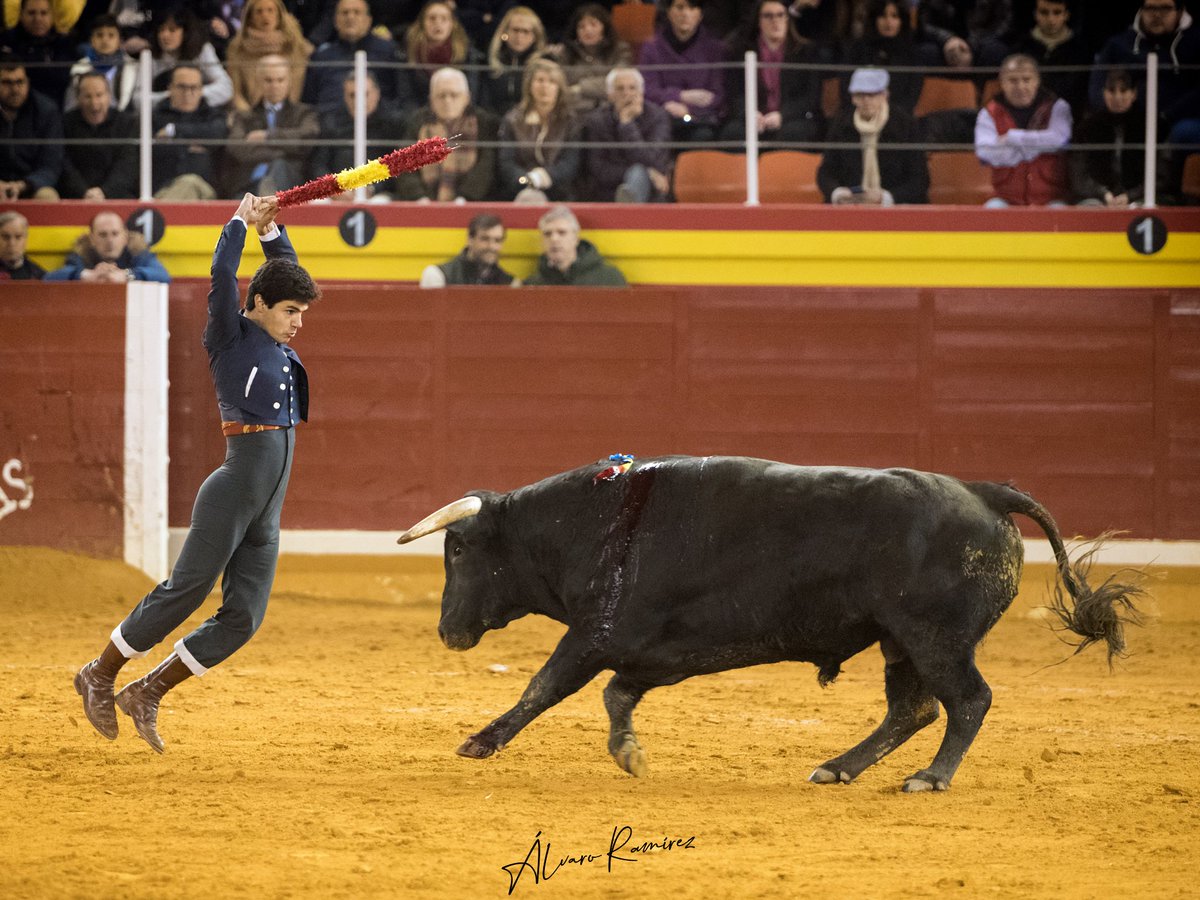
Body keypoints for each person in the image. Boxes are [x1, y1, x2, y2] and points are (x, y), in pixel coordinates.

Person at [73, 193, 320, 754]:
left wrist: (271, 231)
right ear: (259, 304)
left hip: (267, 505)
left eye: (302, 312)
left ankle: (148, 691)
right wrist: (238, 223)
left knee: (243, 618)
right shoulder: (228, 334)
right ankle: (99, 672)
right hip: (233, 490)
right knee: (185, 591)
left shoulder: (274, 336)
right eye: (290, 311)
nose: (298, 322)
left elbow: (285, 273)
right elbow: (222, 274)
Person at [1089, 0, 1200, 203]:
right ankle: (1112, 195)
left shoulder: (1196, 41)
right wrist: (1110, 110)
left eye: (1165, 8)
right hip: (1130, 120)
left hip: (1175, 122)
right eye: (1150, 8)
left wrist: (1167, 116)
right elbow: (1097, 84)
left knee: (1183, 132)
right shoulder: (1119, 44)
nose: (1156, 14)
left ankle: (1170, 197)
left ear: (1180, 11)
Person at [817, 67, 929, 205]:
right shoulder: (841, 123)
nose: (866, 100)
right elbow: (826, 172)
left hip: (897, 205)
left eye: (872, 95)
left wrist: (885, 197)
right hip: (851, 205)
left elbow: (920, 179)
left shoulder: (905, 124)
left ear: (885, 95)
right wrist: (838, 193)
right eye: (860, 95)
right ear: (853, 98)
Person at [722, 0, 826, 146]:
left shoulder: (805, 52)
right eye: (768, 16)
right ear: (758, 21)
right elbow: (734, 93)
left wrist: (782, 116)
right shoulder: (743, 52)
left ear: (787, 19)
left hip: (792, 118)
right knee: (733, 132)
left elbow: (811, 97)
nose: (775, 21)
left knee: (793, 133)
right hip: (755, 118)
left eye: (780, 15)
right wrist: (750, 114)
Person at [975, 53, 1071, 206]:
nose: (1020, 87)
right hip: (1005, 198)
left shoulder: (1057, 107)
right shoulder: (988, 112)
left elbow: (1059, 140)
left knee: (1062, 211)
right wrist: (1038, 146)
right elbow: (985, 151)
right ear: (1002, 82)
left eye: (1026, 80)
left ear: (1037, 81)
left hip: (1052, 198)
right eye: (1013, 80)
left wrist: (1012, 138)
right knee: (992, 208)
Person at [393, 65, 498, 202]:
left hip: (472, 202)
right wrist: (419, 197)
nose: (447, 101)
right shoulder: (418, 122)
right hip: (423, 202)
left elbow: (485, 166)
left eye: (454, 95)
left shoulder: (483, 122)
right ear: (431, 100)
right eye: (441, 96)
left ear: (467, 98)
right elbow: (404, 164)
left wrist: (465, 197)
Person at [225, 53, 319, 197]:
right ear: (259, 82)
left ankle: (268, 197)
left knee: (280, 165)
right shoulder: (244, 117)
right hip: (248, 186)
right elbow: (236, 148)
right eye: (268, 80)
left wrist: (268, 136)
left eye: (280, 80)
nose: (275, 86)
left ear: (289, 82)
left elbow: (306, 140)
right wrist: (284, 150)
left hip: (287, 186)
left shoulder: (304, 113)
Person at [638, 0, 727, 144]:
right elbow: (647, 90)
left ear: (700, 14)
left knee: (704, 135)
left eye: (692, 8)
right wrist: (680, 96)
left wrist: (688, 109)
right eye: (680, 7)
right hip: (662, 115)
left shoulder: (715, 49)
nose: (685, 14)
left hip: (701, 121)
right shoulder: (651, 47)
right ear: (669, 12)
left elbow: (718, 95)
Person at [308, 71, 404, 202]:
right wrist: (333, 187)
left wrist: (373, 189)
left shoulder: (392, 124)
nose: (358, 101)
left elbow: (398, 168)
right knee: (318, 203)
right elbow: (318, 164)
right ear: (345, 96)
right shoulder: (332, 123)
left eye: (365, 94)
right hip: (337, 193)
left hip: (377, 193)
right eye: (352, 95)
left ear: (377, 94)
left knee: (379, 203)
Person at [303, 0, 408, 117]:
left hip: (381, 123)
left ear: (368, 20)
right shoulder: (321, 58)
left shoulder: (389, 52)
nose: (350, 17)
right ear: (335, 20)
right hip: (331, 123)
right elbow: (308, 104)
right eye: (345, 13)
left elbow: (404, 98)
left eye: (357, 12)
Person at [582, 66, 671, 203]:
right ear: (610, 95)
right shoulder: (597, 121)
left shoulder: (657, 117)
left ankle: (628, 204)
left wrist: (627, 124)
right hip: (608, 189)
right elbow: (598, 168)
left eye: (632, 88)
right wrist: (645, 172)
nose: (627, 93)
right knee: (637, 172)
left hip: (651, 190)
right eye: (620, 89)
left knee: (638, 173)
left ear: (641, 92)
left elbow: (653, 159)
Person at [497, 57, 580, 202]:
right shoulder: (513, 120)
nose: (545, 86)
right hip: (520, 189)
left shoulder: (570, 121)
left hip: (560, 190)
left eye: (552, 81)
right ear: (529, 85)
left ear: (559, 88)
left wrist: (544, 177)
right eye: (540, 80)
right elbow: (506, 162)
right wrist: (527, 180)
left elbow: (570, 163)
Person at [1070, 69, 1150, 207]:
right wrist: (1102, 193)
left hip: (1140, 197)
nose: (1117, 97)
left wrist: (1130, 196)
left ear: (1134, 94)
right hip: (1097, 198)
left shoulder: (1152, 126)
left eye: (1123, 90)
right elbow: (1078, 176)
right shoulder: (1086, 128)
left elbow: (1161, 177)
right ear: (1104, 93)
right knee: (1089, 207)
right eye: (1112, 90)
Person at [152, 63, 229, 200]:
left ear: (201, 90)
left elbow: (216, 134)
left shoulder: (213, 116)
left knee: (190, 182)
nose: (187, 93)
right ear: (170, 88)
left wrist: (173, 131)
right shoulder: (154, 117)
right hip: (161, 190)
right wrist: (191, 145)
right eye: (182, 87)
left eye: (193, 87)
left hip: (205, 193)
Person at [59, 70, 138, 200]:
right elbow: (64, 164)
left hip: (117, 196)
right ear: (78, 98)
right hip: (75, 196)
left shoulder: (127, 123)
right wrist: (84, 192)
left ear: (109, 96)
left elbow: (127, 165)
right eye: (87, 96)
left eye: (99, 95)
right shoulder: (65, 123)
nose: (94, 104)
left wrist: (105, 192)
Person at [543, 4, 633, 116]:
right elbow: (562, 89)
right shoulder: (566, 54)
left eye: (593, 24)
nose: (588, 30)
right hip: (575, 113)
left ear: (604, 28)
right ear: (576, 32)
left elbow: (619, 82)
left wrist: (579, 88)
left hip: (611, 113)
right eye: (582, 26)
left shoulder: (620, 51)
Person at [839, 0, 925, 115]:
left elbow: (912, 95)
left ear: (902, 21)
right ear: (874, 19)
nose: (888, 22)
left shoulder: (912, 54)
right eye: (883, 16)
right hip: (859, 115)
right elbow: (846, 90)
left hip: (898, 118)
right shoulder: (857, 50)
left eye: (894, 16)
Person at [225, 0, 312, 112]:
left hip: (293, 114)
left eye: (270, 10)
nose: (265, 16)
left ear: (279, 15)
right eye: (259, 11)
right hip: (250, 114)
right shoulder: (238, 48)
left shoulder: (295, 44)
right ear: (250, 17)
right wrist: (249, 115)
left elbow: (303, 87)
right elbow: (235, 92)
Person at [145, 5, 234, 112]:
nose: (165, 35)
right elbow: (138, 98)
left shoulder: (202, 50)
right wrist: (171, 96)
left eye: (172, 30)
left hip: (199, 114)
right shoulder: (149, 56)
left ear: (186, 32)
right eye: (161, 30)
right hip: (163, 114)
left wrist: (194, 94)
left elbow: (226, 88)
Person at [44, 210, 171, 283]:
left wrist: (126, 275)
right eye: (103, 235)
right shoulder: (82, 254)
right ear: (92, 239)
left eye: (115, 234)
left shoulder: (136, 252)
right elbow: (49, 279)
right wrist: (86, 275)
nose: (110, 241)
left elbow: (163, 276)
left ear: (125, 236)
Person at [1010, 0, 1091, 114]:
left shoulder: (1080, 50)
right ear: (1036, 15)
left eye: (1057, 12)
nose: (1051, 19)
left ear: (1066, 15)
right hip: (1026, 114)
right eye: (1044, 12)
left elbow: (1077, 92)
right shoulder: (1021, 48)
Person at [0, 56, 62, 200]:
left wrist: (22, 185)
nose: (15, 89)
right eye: (7, 82)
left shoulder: (46, 111)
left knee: (48, 196)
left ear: (28, 82)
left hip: (31, 186)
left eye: (20, 82)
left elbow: (51, 166)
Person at [399, 1, 483, 105]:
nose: (438, 23)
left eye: (444, 18)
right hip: (418, 112)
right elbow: (406, 97)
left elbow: (471, 95)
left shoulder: (468, 54)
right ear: (422, 23)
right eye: (432, 18)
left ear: (452, 24)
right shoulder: (407, 53)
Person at [524, 205, 627, 287]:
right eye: (547, 234)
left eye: (562, 232)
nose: (554, 239)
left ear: (576, 239)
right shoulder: (533, 285)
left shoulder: (609, 279)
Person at [0, 0, 75, 108]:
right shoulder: (7, 40)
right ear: (21, 14)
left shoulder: (63, 43)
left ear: (52, 15)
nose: (38, 19)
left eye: (43, 13)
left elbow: (62, 78)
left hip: (54, 108)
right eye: (31, 13)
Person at [476, 6, 545, 116]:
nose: (519, 36)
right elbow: (483, 101)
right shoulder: (487, 61)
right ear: (505, 32)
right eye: (515, 30)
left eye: (526, 31)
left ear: (535, 36)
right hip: (491, 120)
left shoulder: (543, 65)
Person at [64, 13, 138, 112]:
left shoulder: (133, 67)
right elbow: (71, 107)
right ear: (92, 40)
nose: (105, 40)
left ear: (119, 42)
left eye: (111, 35)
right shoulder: (79, 68)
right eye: (99, 35)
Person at [419, 213, 517, 286]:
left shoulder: (509, 283)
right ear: (470, 240)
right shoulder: (437, 275)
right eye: (485, 239)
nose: (491, 246)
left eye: (497, 240)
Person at [0, 209, 45, 280]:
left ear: (25, 239)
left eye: (18, 237)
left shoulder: (38, 276)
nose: (12, 243)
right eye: (5, 237)